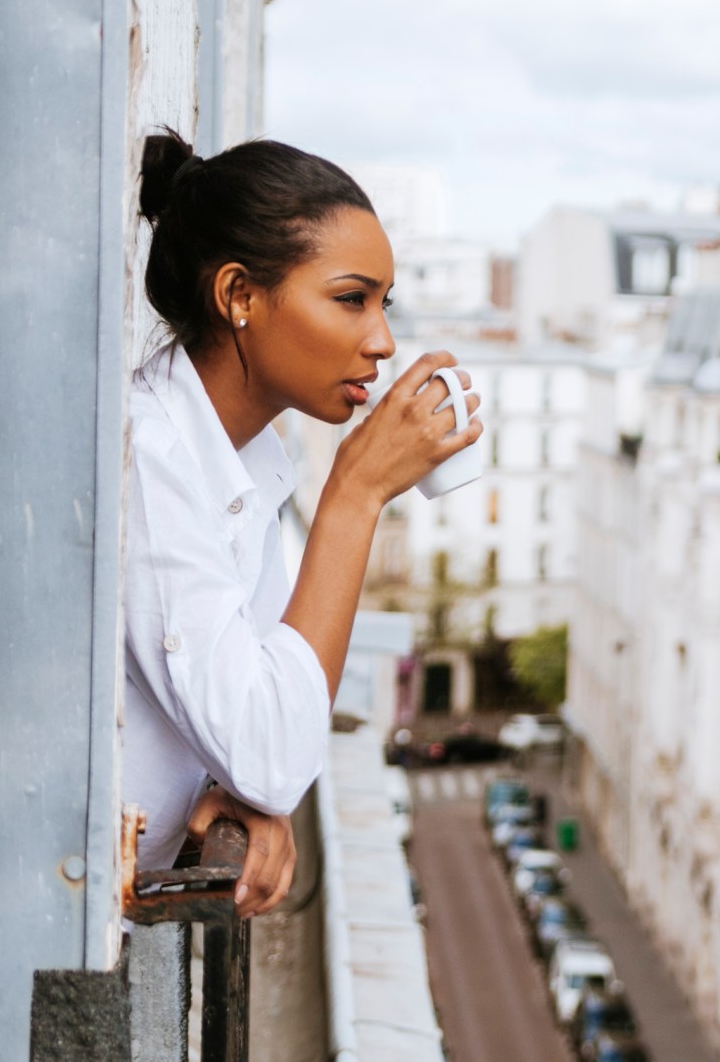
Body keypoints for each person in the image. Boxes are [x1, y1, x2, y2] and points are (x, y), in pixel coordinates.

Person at [125, 129, 480, 916]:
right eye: (351, 299)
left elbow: (257, 715)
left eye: (385, 304)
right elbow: (276, 753)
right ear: (239, 296)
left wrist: (230, 791)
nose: (382, 341)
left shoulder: (246, 453)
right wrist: (356, 493)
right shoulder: (150, 460)